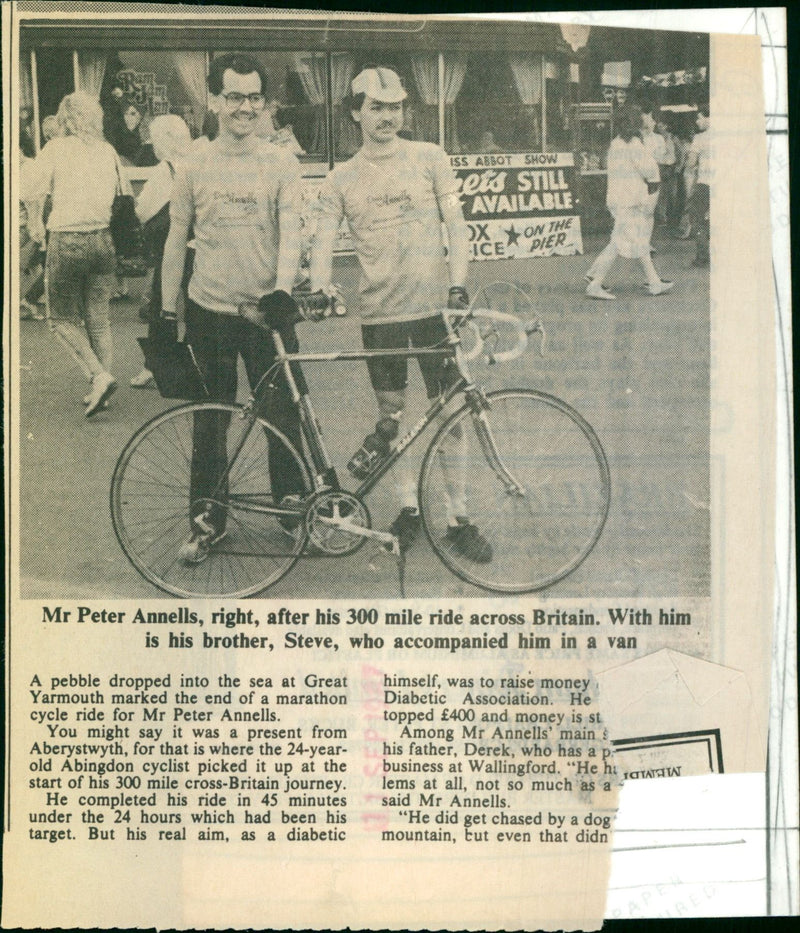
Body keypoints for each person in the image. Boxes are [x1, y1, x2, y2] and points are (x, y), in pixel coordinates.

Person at [310, 66, 491, 561]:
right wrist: (320, 285)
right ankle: (409, 509)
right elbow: (322, 239)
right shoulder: (341, 177)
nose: (387, 116)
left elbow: (456, 225)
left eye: (394, 107)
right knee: (392, 418)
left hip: (435, 311)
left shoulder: (431, 157)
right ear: (356, 113)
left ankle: (458, 517)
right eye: (376, 107)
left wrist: (458, 285)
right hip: (381, 315)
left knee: (451, 415)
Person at [159, 52, 307, 564]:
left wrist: (282, 289)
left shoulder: (281, 162)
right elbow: (177, 236)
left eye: (254, 97)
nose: (245, 107)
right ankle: (207, 521)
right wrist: (167, 310)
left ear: (265, 103)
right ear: (214, 100)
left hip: (267, 312)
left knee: (284, 416)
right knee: (210, 423)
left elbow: (291, 231)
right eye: (235, 97)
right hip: (210, 311)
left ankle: (292, 509)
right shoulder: (194, 162)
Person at [26, 91, 129, 415]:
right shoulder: (107, 150)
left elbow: (30, 188)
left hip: (67, 239)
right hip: (103, 239)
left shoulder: (55, 148)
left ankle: (99, 377)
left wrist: (35, 220)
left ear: (65, 119)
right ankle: (103, 391)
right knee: (98, 320)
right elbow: (120, 194)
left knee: (60, 319)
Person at [130, 113, 193, 389]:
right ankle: (194, 361)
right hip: (198, 248)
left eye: (154, 139)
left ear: (165, 141)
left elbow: (143, 211)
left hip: (171, 249)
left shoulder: (163, 170)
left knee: (161, 307)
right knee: (195, 308)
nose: (152, 145)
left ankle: (153, 365)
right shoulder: (197, 164)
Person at [585, 105, 672, 299]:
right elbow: (650, 171)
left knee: (636, 242)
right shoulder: (634, 144)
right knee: (621, 243)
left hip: (618, 199)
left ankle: (654, 282)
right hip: (632, 200)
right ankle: (595, 284)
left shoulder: (615, 143)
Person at [684, 105, 711, 267]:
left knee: (698, 219)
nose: (697, 121)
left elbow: (691, 163)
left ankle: (702, 257)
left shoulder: (700, 138)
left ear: (709, 118)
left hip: (705, 185)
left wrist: (690, 159)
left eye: (700, 118)